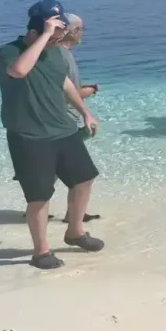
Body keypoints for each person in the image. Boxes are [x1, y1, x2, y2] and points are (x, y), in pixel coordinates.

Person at [0, 0, 104, 270]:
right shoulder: (9, 52)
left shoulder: (55, 51)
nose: (62, 38)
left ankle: (75, 232)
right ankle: (41, 251)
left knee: (84, 179)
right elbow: (19, 71)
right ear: (36, 30)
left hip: (63, 130)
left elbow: (64, 83)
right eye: (58, 31)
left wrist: (85, 112)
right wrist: (45, 36)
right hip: (29, 136)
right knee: (39, 196)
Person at [58, 13, 101, 223]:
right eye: (81, 28)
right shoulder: (62, 55)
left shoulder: (62, 54)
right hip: (65, 123)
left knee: (67, 171)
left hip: (68, 122)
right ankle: (73, 218)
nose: (82, 33)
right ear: (73, 31)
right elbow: (69, 92)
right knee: (79, 173)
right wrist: (91, 90)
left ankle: (72, 214)